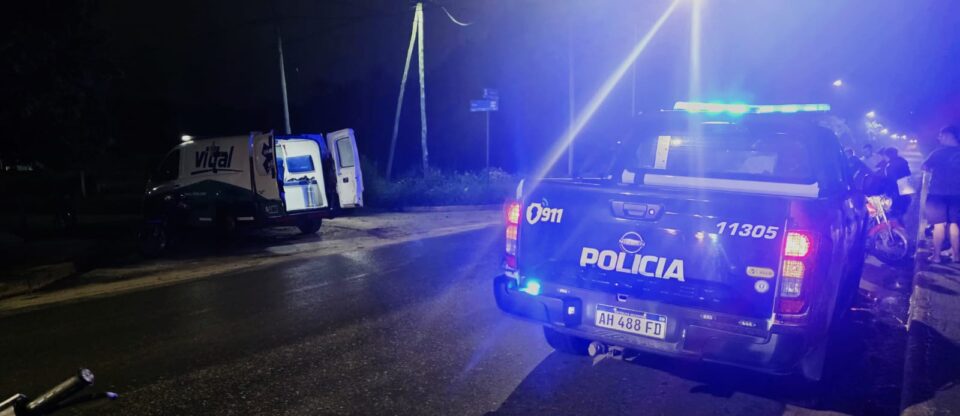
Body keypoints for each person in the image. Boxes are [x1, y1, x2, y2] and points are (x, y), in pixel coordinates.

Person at [922, 125, 960, 263]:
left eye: (941, 135)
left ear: (949, 136)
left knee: (939, 225)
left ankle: (936, 256)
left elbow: (924, 167)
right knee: (954, 224)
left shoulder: (938, 153)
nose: (939, 138)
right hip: (957, 195)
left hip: (937, 194)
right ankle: (956, 256)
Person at [880, 147, 911, 218]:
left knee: (896, 209)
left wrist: (888, 190)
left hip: (896, 189)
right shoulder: (903, 161)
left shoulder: (891, 165)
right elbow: (908, 173)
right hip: (905, 186)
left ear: (889, 155)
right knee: (905, 207)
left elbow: (891, 179)